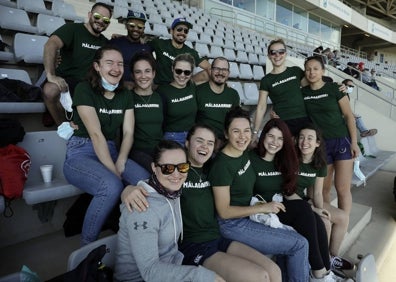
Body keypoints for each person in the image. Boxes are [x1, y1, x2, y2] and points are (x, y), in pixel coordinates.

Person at [121, 124, 282, 282]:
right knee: (259, 277)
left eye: (210, 143)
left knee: (273, 270)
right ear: (187, 143)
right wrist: (127, 190)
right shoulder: (176, 177)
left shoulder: (211, 168)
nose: (204, 146)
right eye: (199, 141)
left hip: (216, 237)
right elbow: (151, 187)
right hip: (193, 246)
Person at [209, 106, 309, 282]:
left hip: (248, 218)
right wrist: (263, 208)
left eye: (246, 131)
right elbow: (223, 212)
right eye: (236, 131)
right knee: (299, 244)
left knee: (297, 234)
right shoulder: (222, 166)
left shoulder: (244, 153)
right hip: (232, 225)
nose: (242, 136)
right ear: (226, 134)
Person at [115, 140, 222, 282]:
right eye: (168, 168)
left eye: (182, 167)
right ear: (154, 167)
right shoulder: (142, 207)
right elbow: (150, 271)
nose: (177, 174)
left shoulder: (171, 191)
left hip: (171, 267)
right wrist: (198, 275)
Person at [62, 46, 137, 245]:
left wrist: (121, 160)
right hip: (82, 152)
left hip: (111, 150)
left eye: (120, 64)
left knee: (145, 181)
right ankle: (87, 248)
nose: (116, 68)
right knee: (111, 186)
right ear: (97, 66)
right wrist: (115, 172)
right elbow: (95, 135)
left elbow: (128, 132)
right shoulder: (84, 88)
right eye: (109, 63)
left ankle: (136, 236)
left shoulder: (125, 94)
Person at [249, 118, 339, 281]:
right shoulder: (252, 158)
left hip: (280, 206)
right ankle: (318, 273)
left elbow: (288, 191)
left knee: (316, 218)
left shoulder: (282, 160)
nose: (274, 142)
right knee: (304, 210)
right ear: (263, 137)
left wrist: (315, 209)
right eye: (271, 136)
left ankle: (326, 272)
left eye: (280, 138)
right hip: (262, 209)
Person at [302, 56, 360, 217]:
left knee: (342, 188)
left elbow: (349, 116)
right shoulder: (303, 93)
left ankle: (343, 223)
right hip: (321, 146)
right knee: (324, 189)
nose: (311, 72)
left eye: (315, 68)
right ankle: (328, 221)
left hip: (341, 141)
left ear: (322, 71)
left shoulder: (334, 88)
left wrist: (354, 143)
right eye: (308, 69)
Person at [42, 2, 111, 126]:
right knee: (50, 90)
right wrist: (51, 75)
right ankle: (63, 127)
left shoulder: (105, 42)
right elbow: (51, 44)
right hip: (66, 81)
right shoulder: (73, 29)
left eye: (106, 20)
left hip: (87, 86)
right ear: (89, 15)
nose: (101, 21)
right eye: (97, 16)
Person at [296, 124, 351, 271]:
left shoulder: (319, 163)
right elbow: (287, 192)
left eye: (310, 138)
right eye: (301, 137)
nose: (305, 142)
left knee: (342, 217)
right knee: (325, 223)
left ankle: (332, 257)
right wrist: (315, 210)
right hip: (293, 201)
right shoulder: (292, 159)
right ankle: (323, 261)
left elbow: (318, 193)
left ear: (317, 143)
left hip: (306, 200)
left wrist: (319, 210)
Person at [253, 39, 311, 141]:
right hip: (282, 122)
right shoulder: (266, 80)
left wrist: (334, 85)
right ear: (269, 56)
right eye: (273, 52)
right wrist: (255, 132)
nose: (277, 55)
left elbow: (311, 89)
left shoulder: (295, 71)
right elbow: (261, 106)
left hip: (304, 118)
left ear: (285, 53)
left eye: (281, 51)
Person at [147, 17, 211, 85]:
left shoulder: (191, 52)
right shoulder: (159, 43)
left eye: (185, 31)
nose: (182, 33)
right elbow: (143, 47)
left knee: (207, 74)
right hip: (159, 85)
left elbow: (209, 67)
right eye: (179, 29)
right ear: (172, 31)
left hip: (179, 86)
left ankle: (188, 87)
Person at [128, 52, 163, 174]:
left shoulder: (160, 97)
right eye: (138, 72)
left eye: (147, 71)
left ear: (153, 73)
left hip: (159, 150)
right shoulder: (128, 98)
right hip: (136, 151)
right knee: (158, 173)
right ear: (132, 75)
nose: (143, 76)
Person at [195, 57, 240, 147]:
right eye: (217, 69)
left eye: (224, 70)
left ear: (228, 73)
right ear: (211, 70)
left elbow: (236, 120)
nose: (220, 73)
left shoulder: (233, 94)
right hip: (203, 142)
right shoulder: (198, 92)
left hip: (226, 142)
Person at [157, 53, 198, 146]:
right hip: (172, 136)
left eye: (187, 72)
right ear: (172, 69)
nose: (182, 75)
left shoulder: (192, 86)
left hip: (192, 135)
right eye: (178, 71)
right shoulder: (162, 91)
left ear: (191, 73)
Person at [109, 10, 152, 89]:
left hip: (138, 90)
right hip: (115, 89)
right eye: (132, 25)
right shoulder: (115, 43)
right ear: (126, 25)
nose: (136, 29)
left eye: (140, 27)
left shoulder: (147, 48)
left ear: (144, 29)